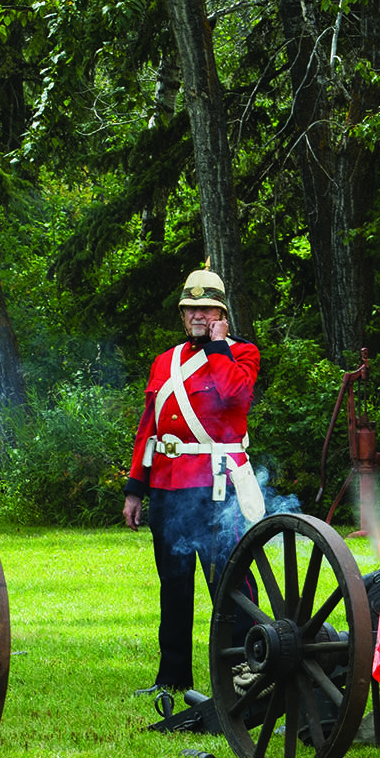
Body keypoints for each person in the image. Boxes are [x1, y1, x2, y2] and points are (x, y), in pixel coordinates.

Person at [123, 267, 263, 701]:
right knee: (175, 583)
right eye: (191, 309)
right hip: (168, 487)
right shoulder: (164, 361)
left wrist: (219, 346)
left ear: (221, 313)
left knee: (231, 582)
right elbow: (149, 426)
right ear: (183, 316)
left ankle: (246, 665)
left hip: (219, 487)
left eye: (206, 309)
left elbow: (235, 397)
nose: (197, 316)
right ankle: (173, 676)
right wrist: (135, 488)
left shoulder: (241, 353)